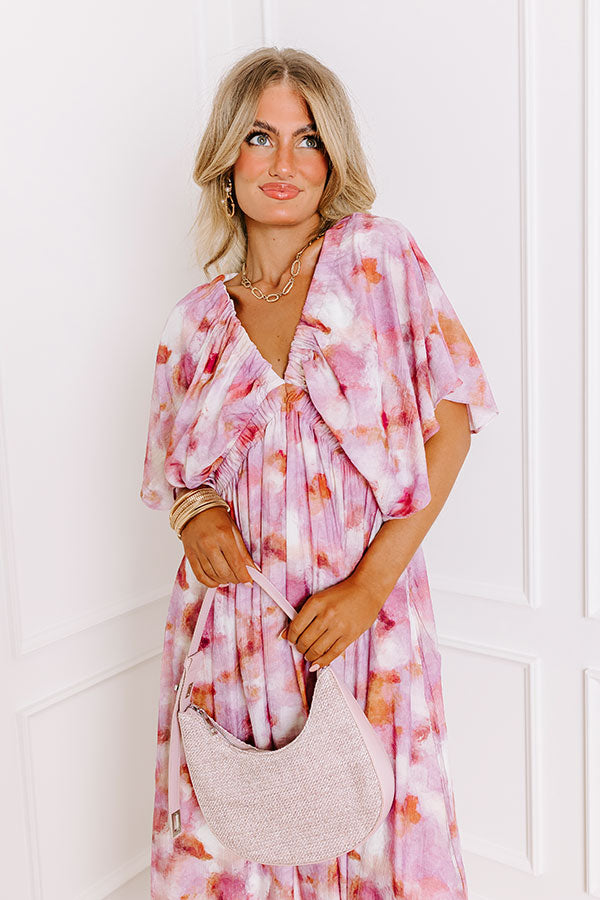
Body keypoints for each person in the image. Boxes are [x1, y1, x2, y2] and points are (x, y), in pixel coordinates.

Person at [140, 46, 499, 900]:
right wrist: (197, 515)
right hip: (235, 634)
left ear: (334, 158)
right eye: (260, 137)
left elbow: (451, 427)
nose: (285, 162)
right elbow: (178, 475)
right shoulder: (193, 324)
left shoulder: (379, 259)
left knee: (381, 844)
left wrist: (368, 589)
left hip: (364, 623)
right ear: (227, 157)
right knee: (236, 851)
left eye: (308, 139)